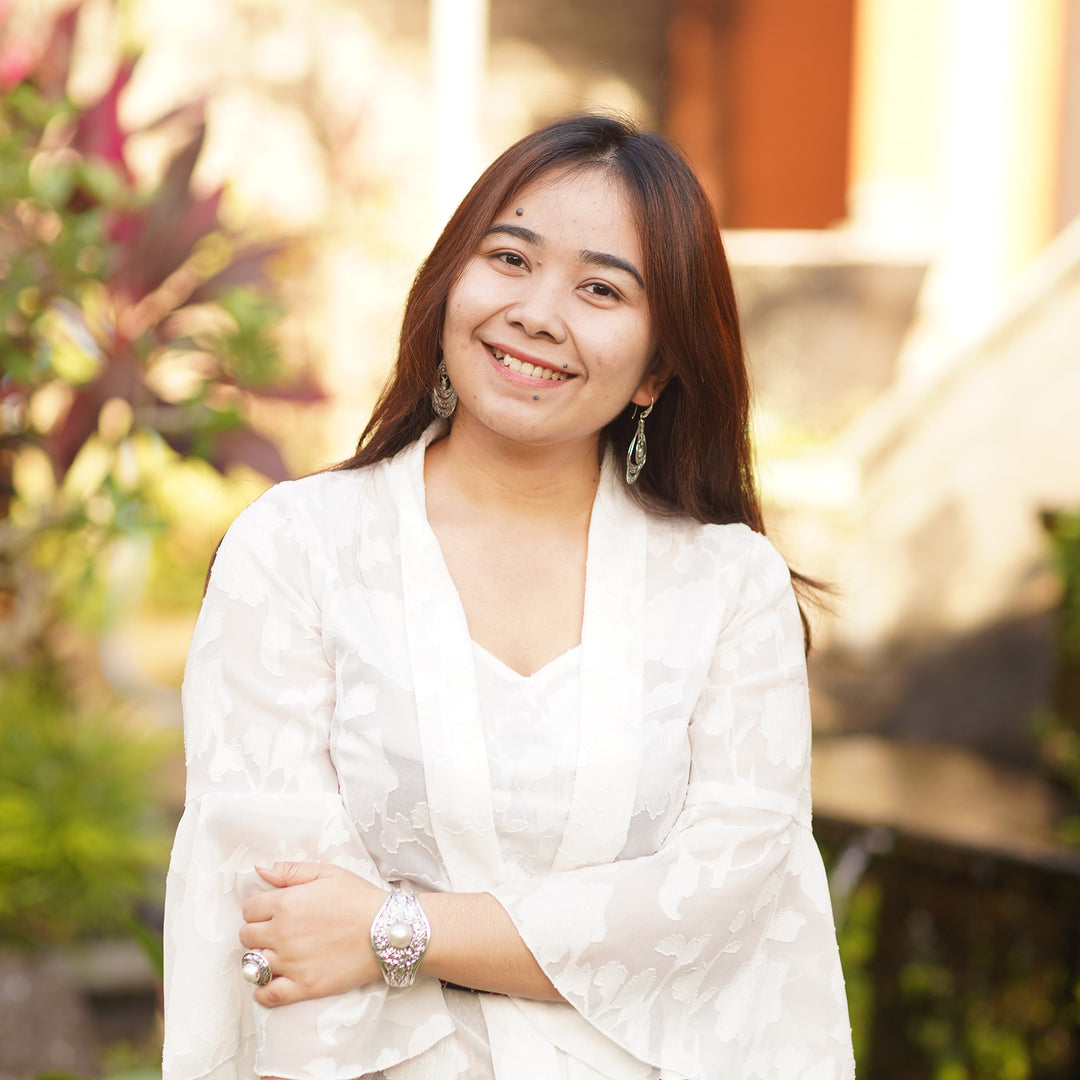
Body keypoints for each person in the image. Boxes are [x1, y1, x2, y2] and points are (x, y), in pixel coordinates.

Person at [162, 113, 855, 1080]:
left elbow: (718, 901)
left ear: (657, 368)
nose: (538, 312)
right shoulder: (296, 551)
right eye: (510, 257)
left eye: (602, 288)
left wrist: (395, 926)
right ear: (452, 281)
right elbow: (286, 919)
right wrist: (353, 936)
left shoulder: (729, 589)